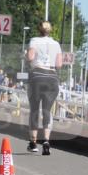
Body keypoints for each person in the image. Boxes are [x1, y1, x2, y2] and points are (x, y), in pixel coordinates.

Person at [25, 21, 63, 155]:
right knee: (47, 111)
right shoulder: (56, 44)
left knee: (34, 109)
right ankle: (46, 141)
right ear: (50, 30)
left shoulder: (34, 41)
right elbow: (59, 64)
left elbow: (30, 57)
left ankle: (33, 142)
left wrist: (26, 56)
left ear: (39, 30)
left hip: (37, 76)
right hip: (52, 77)